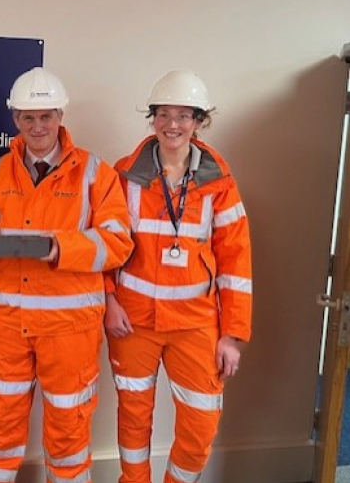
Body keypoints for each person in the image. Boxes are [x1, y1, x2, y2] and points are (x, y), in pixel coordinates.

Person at [0, 67, 134, 483]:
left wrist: (60, 248)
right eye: (27, 117)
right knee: (0, 424)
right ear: (15, 119)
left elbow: (118, 241)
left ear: (60, 116)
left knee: (68, 429)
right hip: (7, 325)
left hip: (70, 329)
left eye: (46, 116)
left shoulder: (95, 173)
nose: (37, 126)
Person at [104, 70, 252, 483]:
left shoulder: (219, 183)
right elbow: (107, 246)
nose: (173, 124)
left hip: (196, 321)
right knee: (133, 417)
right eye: (164, 114)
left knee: (202, 421)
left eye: (184, 115)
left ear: (200, 121)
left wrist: (232, 334)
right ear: (151, 118)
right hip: (132, 320)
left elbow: (236, 260)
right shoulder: (123, 175)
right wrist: (108, 301)